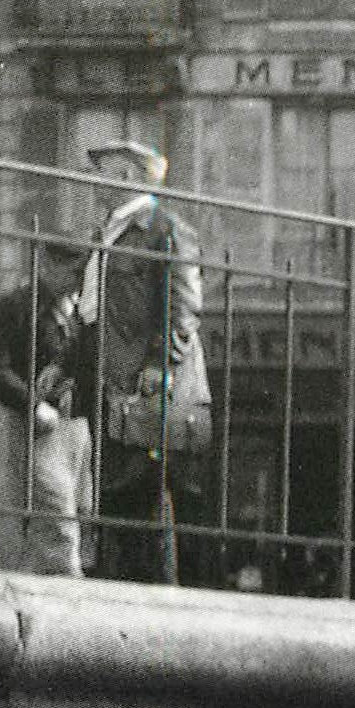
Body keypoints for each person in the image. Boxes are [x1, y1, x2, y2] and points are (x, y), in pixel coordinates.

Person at [74, 137, 211, 585]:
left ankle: (154, 594)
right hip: (104, 375)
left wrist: (160, 366)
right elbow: (92, 308)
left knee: (142, 491)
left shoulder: (164, 229)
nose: (93, 180)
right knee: (109, 490)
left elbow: (184, 306)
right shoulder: (106, 231)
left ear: (129, 176)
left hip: (138, 383)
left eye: (103, 171)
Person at [0, 238, 92, 577]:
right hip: (42, 431)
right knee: (56, 524)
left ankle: (34, 604)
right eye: (74, 271)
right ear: (48, 264)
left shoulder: (84, 309)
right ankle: (66, 614)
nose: (79, 279)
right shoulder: (18, 306)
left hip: (80, 429)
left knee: (79, 521)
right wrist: (32, 404)